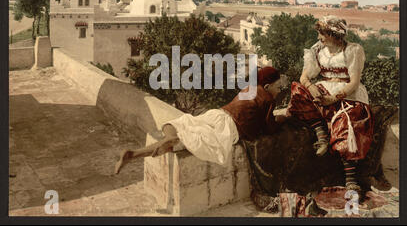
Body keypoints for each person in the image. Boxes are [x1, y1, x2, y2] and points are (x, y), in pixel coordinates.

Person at [115, 66, 284, 174]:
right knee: (194, 141)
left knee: (180, 124)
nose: (280, 90)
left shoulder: (249, 89)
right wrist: (283, 118)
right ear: (268, 87)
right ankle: (172, 140)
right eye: (279, 87)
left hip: (217, 114)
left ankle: (134, 154)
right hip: (229, 127)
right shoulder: (268, 98)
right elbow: (269, 128)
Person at [286, 15, 374, 198]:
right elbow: (304, 78)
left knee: (348, 122)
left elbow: (354, 83)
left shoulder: (352, 50)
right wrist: (312, 88)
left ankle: (351, 179)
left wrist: (332, 99)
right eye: (319, 33)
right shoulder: (317, 50)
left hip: (347, 93)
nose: (319, 37)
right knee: (298, 91)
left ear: (335, 34)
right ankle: (321, 134)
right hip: (324, 89)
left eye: (323, 34)